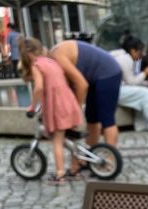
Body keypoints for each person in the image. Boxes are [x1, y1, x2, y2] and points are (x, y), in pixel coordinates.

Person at [19, 37, 83, 185]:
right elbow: (54, 86)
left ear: (27, 55)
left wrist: (32, 107)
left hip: (58, 106)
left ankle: (60, 175)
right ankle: (76, 169)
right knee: (70, 138)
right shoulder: (51, 62)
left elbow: (40, 88)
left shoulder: (36, 66)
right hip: (68, 101)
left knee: (57, 141)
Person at [50, 39, 122, 152]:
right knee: (92, 118)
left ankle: (111, 160)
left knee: (107, 119)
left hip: (108, 72)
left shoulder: (58, 58)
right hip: (94, 77)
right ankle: (88, 156)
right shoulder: (53, 61)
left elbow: (82, 85)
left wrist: (75, 112)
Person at [110, 35, 148, 133]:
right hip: (114, 91)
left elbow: (130, 81)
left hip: (113, 89)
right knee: (144, 93)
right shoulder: (126, 59)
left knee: (142, 92)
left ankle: (141, 124)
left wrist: (146, 82)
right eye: (140, 51)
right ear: (133, 51)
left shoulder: (124, 57)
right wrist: (145, 73)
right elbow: (131, 82)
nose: (141, 54)